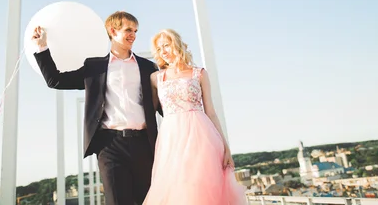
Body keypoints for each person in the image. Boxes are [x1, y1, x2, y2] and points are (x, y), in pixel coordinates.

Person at [32, 11, 159, 205]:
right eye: (128, 30)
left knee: (150, 201)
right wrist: (42, 47)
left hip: (145, 144)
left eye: (135, 30)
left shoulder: (148, 67)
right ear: (112, 30)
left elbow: (163, 103)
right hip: (110, 146)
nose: (133, 34)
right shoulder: (95, 67)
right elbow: (55, 80)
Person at [143, 29, 247, 205]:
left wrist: (226, 146)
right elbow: (149, 113)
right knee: (177, 186)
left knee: (202, 185)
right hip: (171, 139)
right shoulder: (156, 78)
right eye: (159, 49)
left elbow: (211, 112)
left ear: (176, 44)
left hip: (202, 137)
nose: (163, 52)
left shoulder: (199, 73)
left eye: (166, 45)